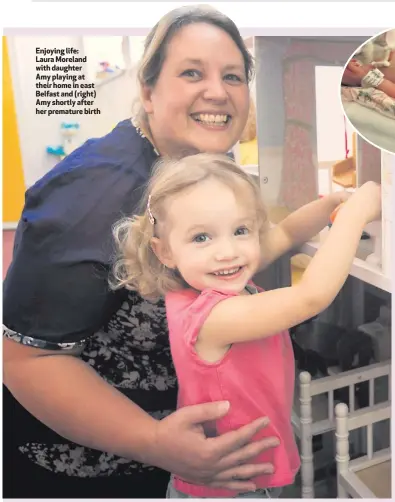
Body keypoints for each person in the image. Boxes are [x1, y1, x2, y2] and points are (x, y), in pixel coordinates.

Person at [3, 5, 282, 499]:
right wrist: (153, 441)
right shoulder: (96, 192)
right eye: (192, 72)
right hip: (84, 475)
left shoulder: (188, 168)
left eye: (233, 76)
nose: (218, 91)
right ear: (149, 92)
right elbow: (24, 359)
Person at [110, 153, 382, 498]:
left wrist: (332, 203)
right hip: (234, 488)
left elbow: (283, 233)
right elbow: (311, 296)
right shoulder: (213, 317)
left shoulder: (199, 281)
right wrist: (355, 215)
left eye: (241, 230)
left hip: (239, 476)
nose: (227, 251)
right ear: (164, 252)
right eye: (201, 238)